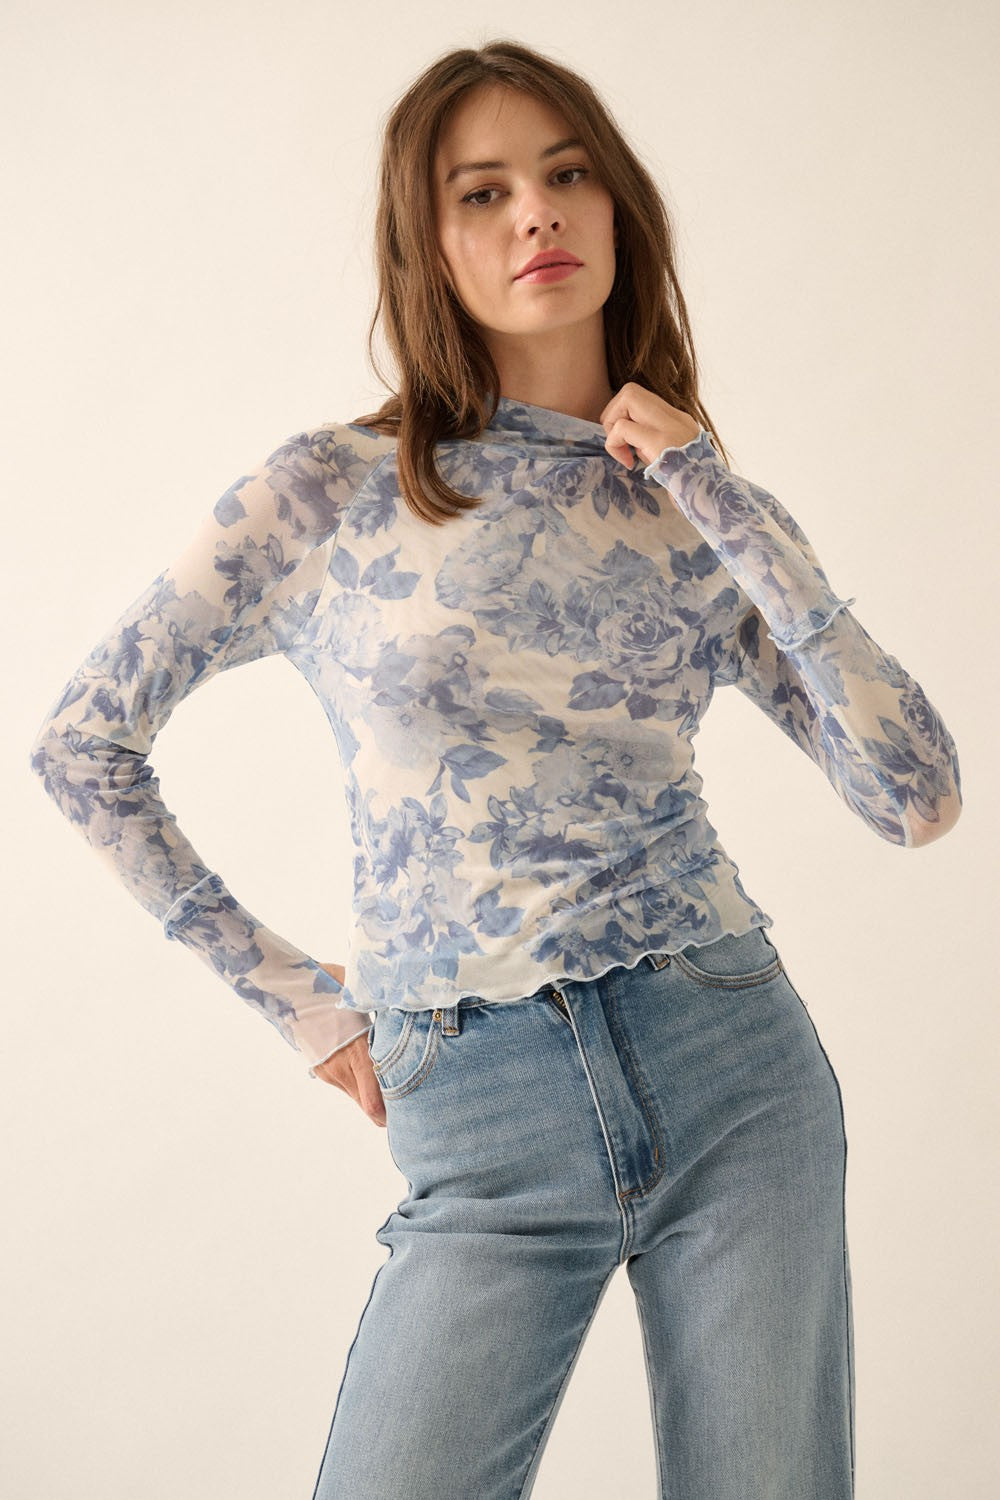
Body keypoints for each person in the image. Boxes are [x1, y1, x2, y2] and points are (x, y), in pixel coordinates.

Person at [28, 37, 962, 1500]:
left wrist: (726, 498)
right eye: (483, 192)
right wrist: (305, 1008)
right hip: (476, 1098)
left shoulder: (692, 508)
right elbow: (83, 744)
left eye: (568, 172)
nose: (537, 212)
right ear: (428, 246)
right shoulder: (329, 489)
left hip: (732, 1063)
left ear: (620, 207)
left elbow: (917, 799)